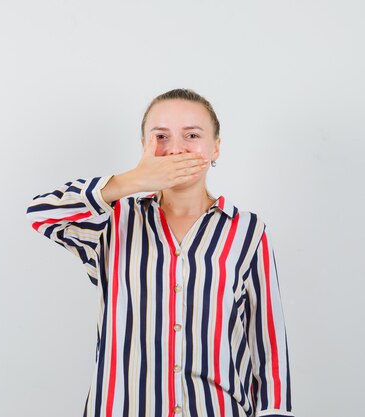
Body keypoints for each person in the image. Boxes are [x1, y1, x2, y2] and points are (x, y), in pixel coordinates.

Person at [26, 88, 294, 417]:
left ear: (216, 148)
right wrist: (133, 180)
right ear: (144, 148)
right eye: (161, 136)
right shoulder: (114, 220)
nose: (176, 148)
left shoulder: (247, 231)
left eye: (192, 135)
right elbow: (41, 213)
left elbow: (267, 340)